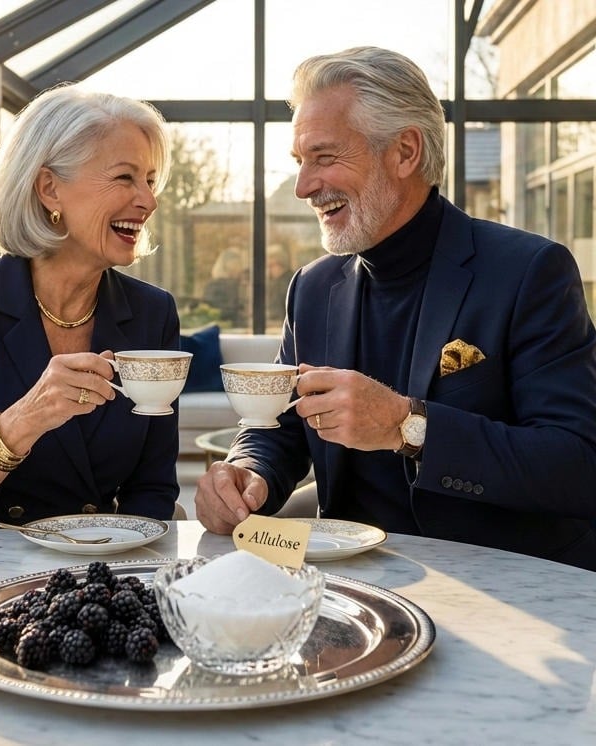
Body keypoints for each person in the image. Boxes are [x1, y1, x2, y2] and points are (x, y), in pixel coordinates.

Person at [195, 46, 596, 570]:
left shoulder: (530, 272)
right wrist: (248, 471)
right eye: (300, 161)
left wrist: (407, 426)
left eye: (325, 157)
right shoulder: (312, 288)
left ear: (405, 151)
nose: (303, 187)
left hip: (504, 588)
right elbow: (282, 426)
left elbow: (577, 464)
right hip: (349, 584)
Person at [0, 86, 181, 536]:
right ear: (49, 188)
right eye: (125, 178)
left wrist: (113, 570)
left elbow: (154, 489)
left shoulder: (153, 312)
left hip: (93, 572)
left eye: (149, 179)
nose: (149, 199)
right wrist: (27, 417)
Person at [203, 246, 245, 326]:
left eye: (239, 263)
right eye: (235, 263)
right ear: (226, 265)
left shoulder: (240, 284)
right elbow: (211, 308)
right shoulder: (214, 285)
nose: (239, 267)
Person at [266, 244, 292, 323]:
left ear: (281, 263)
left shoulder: (288, 281)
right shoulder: (271, 281)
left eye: (271, 265)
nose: (269, 269)